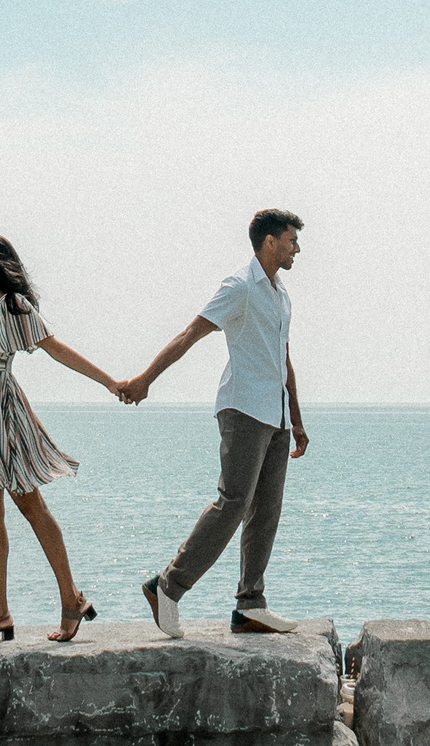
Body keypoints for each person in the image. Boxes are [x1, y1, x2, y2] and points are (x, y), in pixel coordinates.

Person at [118, 208, 307, 638]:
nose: (298, 248)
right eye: (292, 239)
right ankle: (167, 586)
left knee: (267, 510)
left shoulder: (281, 295)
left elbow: (284, 358)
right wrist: (145, 380)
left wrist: (296, 418)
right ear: (270, 241)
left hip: (275, 414)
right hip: (243, 408)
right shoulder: (240, 287)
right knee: (234, 503)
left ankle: (250, 604)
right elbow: (190, 334)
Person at [0, 231, 124, 645]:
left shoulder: (13, 307)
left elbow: (56, 349)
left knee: (30, 505)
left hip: (5, 416)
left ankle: (71, 599)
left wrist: (110, 382)